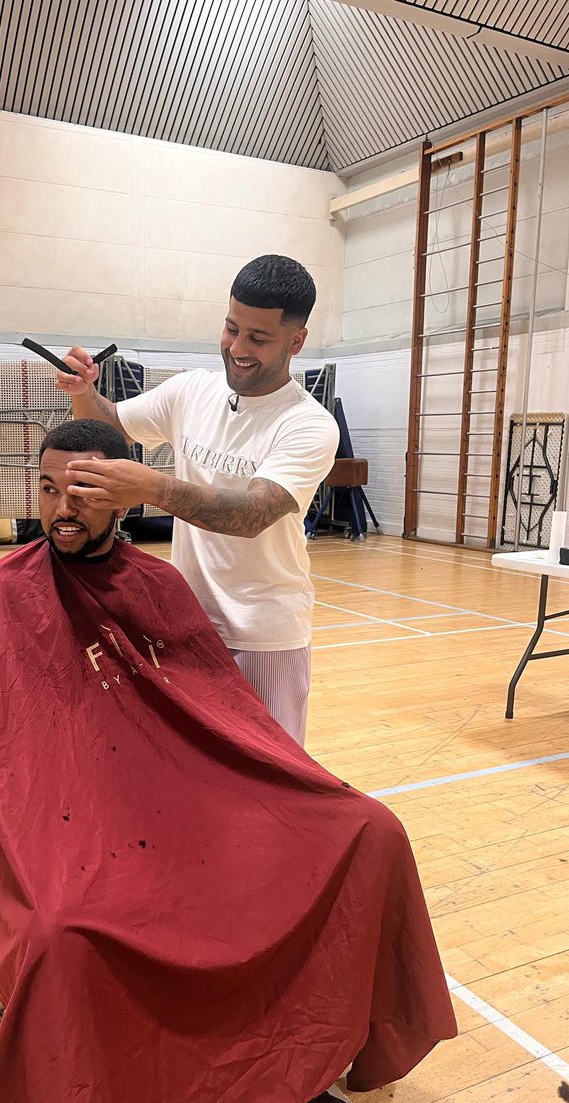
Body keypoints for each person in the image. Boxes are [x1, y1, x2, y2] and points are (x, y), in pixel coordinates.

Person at [0, 420, 457, 1103]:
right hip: (71, 822)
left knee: (368, 830)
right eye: (48, 489)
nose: (63, 508)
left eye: (84, 490)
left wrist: (273, 793)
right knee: (65, 930)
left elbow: (217, 712)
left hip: (180, 804)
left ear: (124, 497)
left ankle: (292, 1074)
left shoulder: (159, 587)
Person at [55, 254, 339, 748]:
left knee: (268, 784)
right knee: (194, 779)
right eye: (232, 328)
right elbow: (110, 423)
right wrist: (83, 390)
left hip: (262, 635)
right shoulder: (192, 391)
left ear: (297, 341)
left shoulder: (309, 424)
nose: (238, 347)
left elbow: (252, 514)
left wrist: (150, 486)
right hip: (184, 628)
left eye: (258, 337)